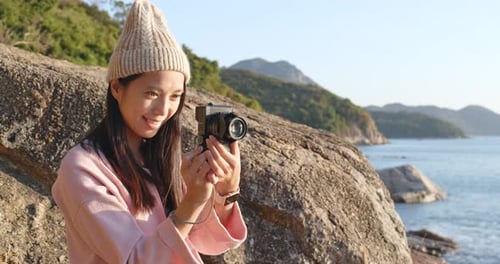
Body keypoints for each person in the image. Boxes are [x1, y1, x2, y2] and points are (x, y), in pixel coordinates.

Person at [51, 0, 247, 263]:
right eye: (151, 93)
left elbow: (204, 241)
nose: (163, 109)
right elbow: (135, 258)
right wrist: (191, 202)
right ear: (117, 88)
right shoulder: (83, 168)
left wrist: (225, 191)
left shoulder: (162, 158)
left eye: (175, 96)